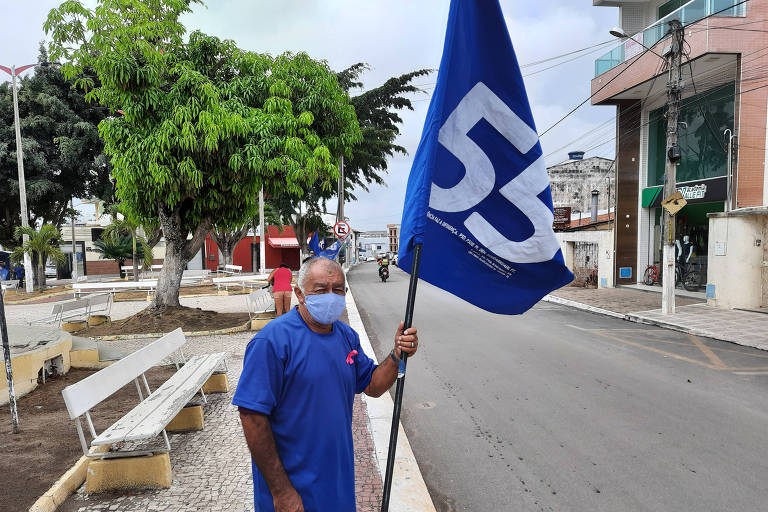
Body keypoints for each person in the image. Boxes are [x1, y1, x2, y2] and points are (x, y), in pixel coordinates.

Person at [233, 257, 419, 511]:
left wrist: (397, 354)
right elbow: (252, 415)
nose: (331, 296)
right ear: (299, 293)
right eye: (321, 290)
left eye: (338, 290)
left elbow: (373, 385)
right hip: (292, 491)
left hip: (337, 484)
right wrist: (281, 491)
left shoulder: (346, 336)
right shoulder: (272, 342)